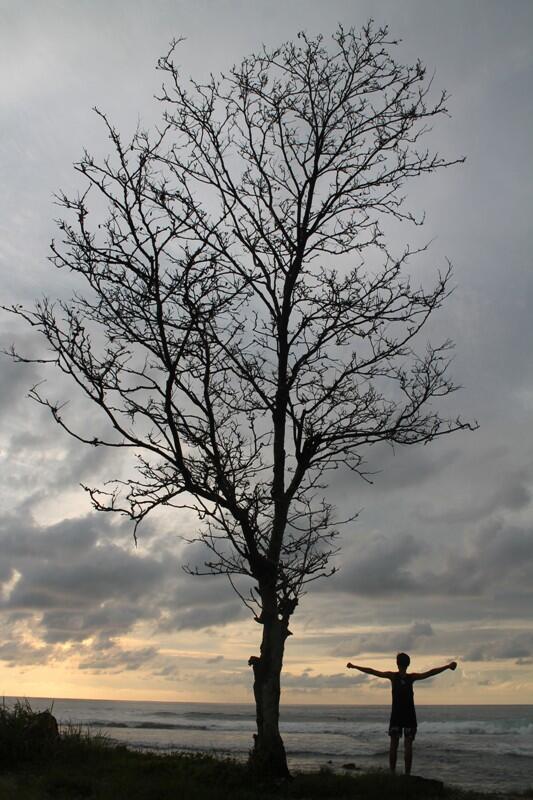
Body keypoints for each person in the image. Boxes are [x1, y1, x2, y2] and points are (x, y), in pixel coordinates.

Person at [347, 653, 457, 775]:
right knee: (408, 745)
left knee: (394, 744)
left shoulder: (393, 677)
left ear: (397, 663)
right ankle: (407, 775)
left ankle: (392, 773)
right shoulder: (411, 677)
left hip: (396, 715)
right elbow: (430, 673)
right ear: (408, 664)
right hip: (409, 715)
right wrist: (447, 666)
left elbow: (372, 671)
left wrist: (355, 666)